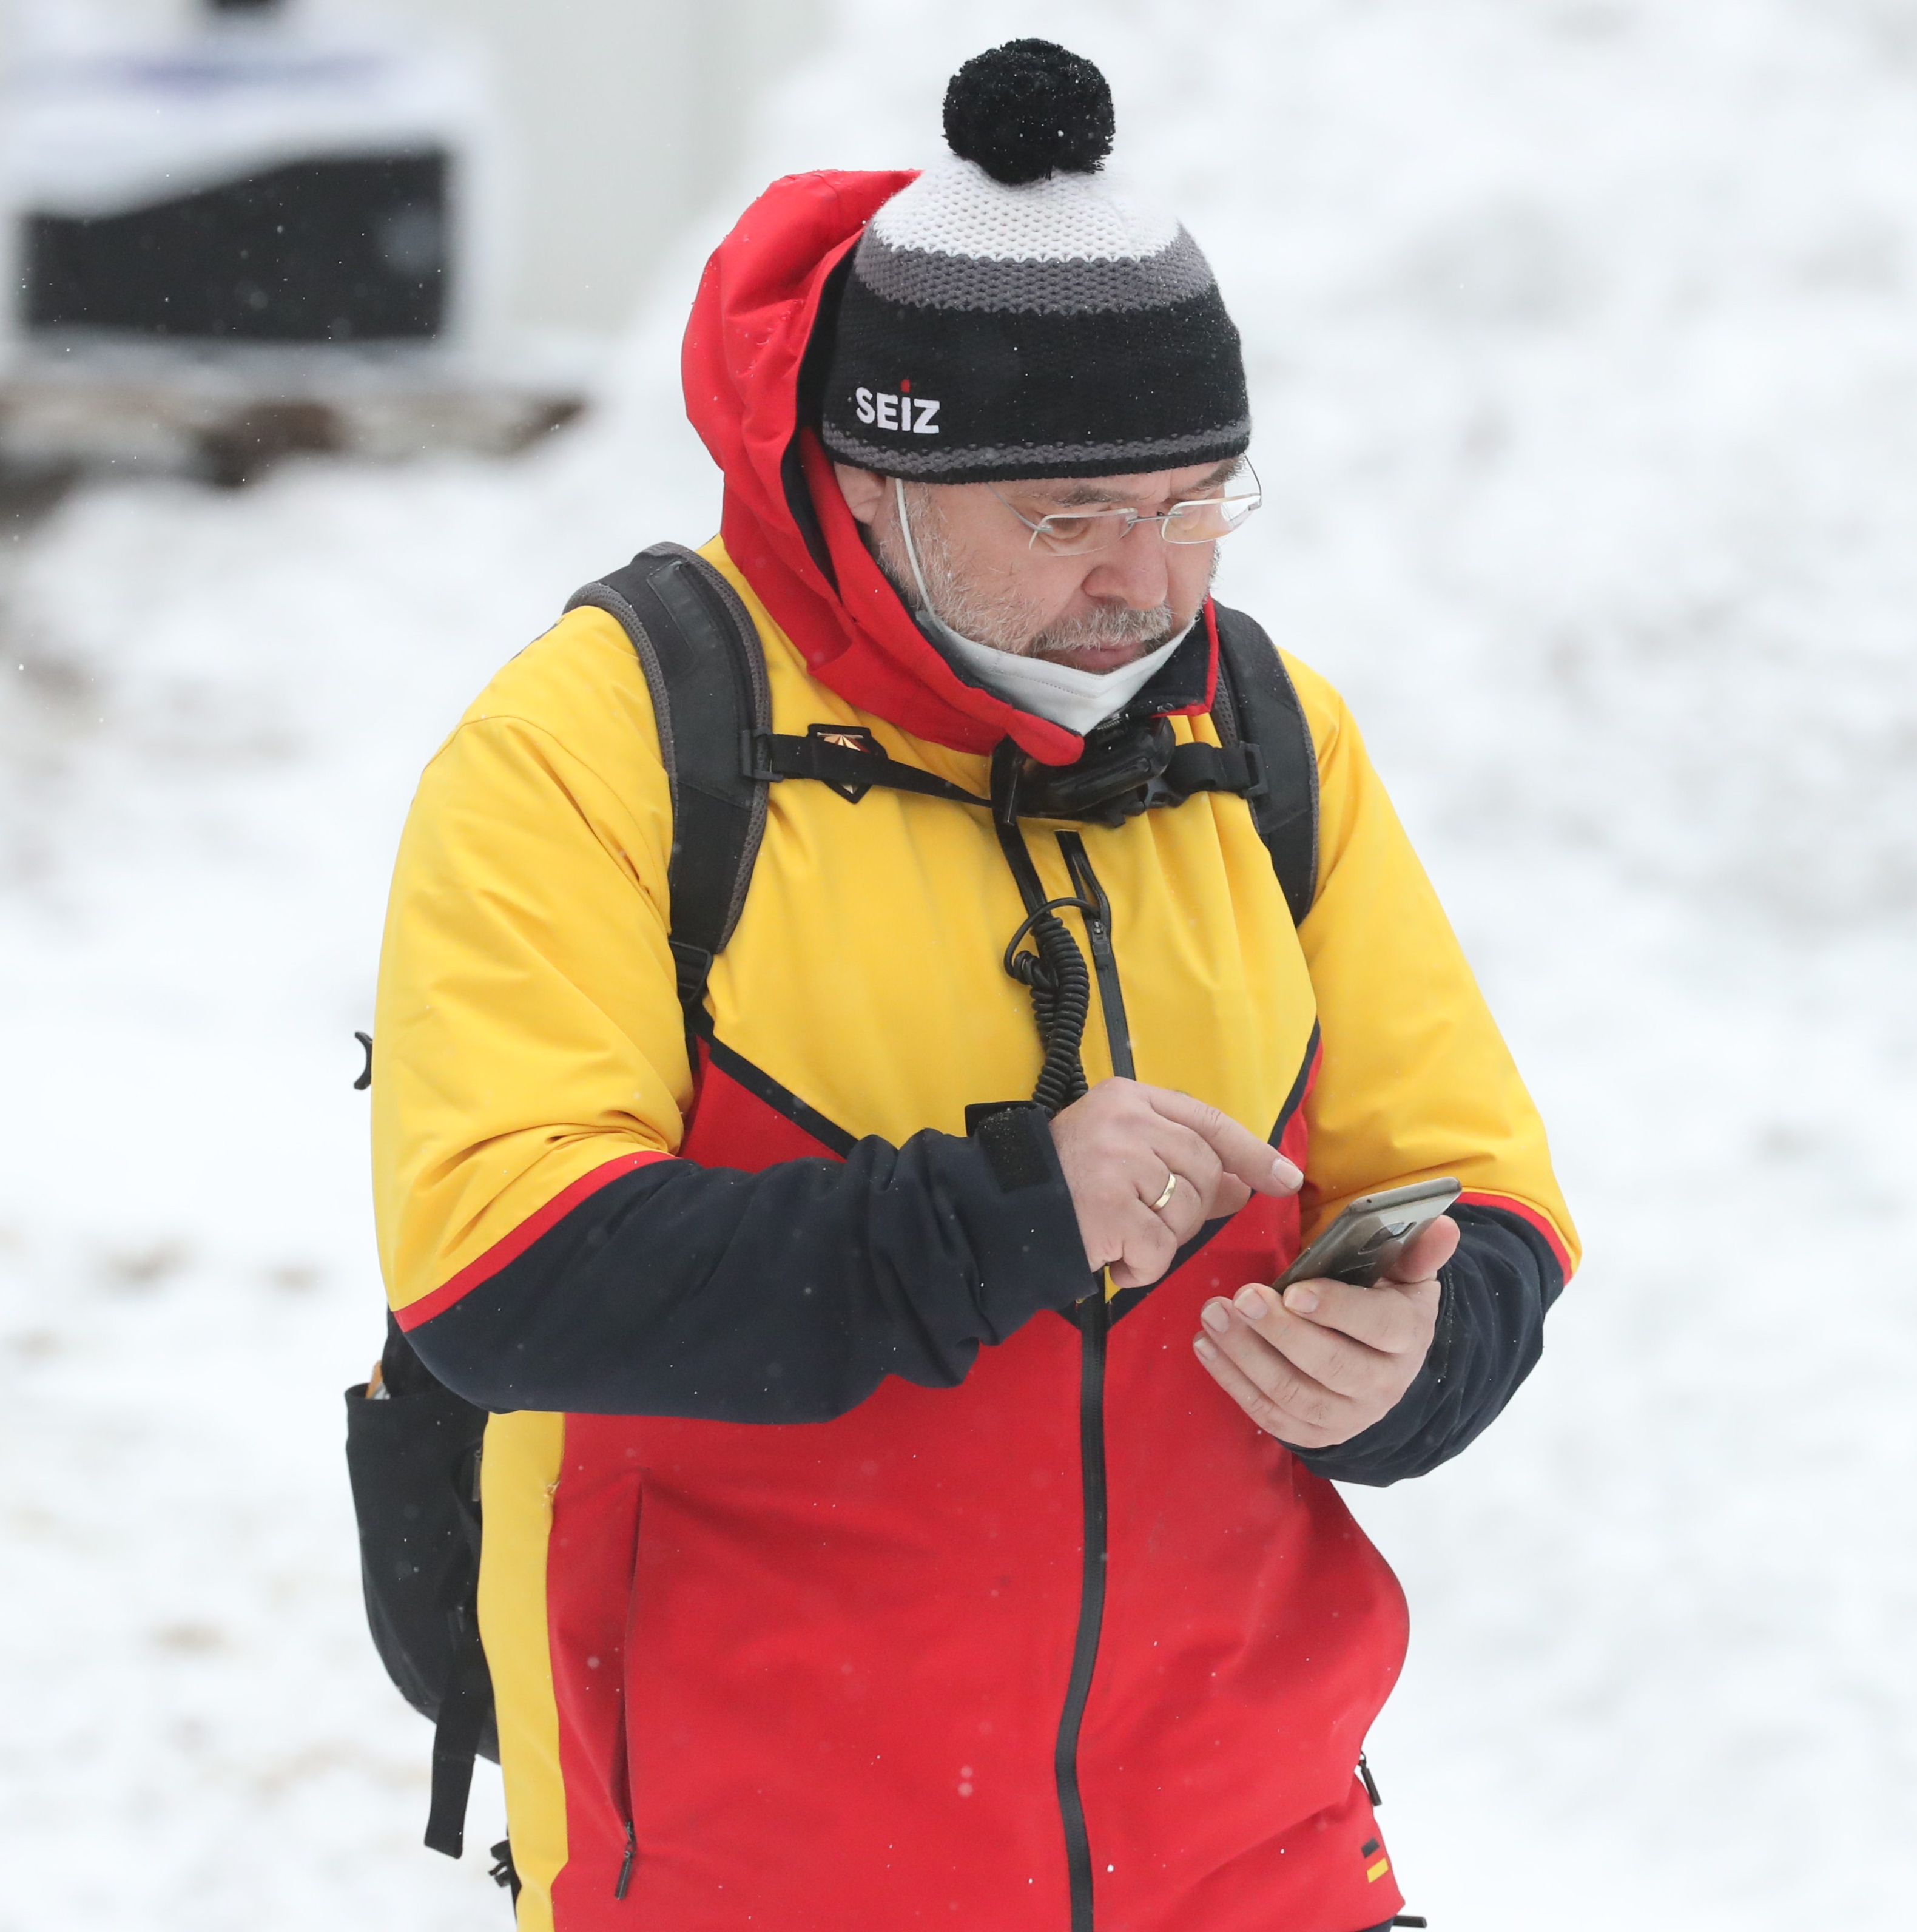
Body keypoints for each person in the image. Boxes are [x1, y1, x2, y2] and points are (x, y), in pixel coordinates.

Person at [371, 39, 1577, 1932]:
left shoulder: (1264, 733)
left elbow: (1476, 1173)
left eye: (1198, 502)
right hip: (753, 1863)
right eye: (1070, 513)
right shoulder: (606, 737)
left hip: (1257, 1856)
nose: (1147, 580)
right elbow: (494, 1277)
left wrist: (1427, 1358)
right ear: (877, 478)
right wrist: (1003, 1212)